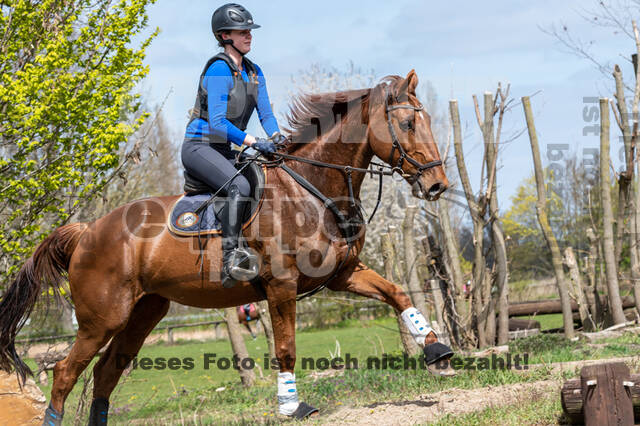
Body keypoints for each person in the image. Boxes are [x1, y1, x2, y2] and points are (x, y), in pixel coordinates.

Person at [181, 3, 285, 288]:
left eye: (250, 31)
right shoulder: (218, 69)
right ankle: (231, 259)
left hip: (226, 149)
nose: (249, 35)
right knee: (239, 186)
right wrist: (254, 141)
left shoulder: (254, 72)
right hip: (200, 146)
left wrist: (277, 138)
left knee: (267, 180)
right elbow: (216, 123)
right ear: (225, 35)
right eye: (243, 31)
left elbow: (266, 114)